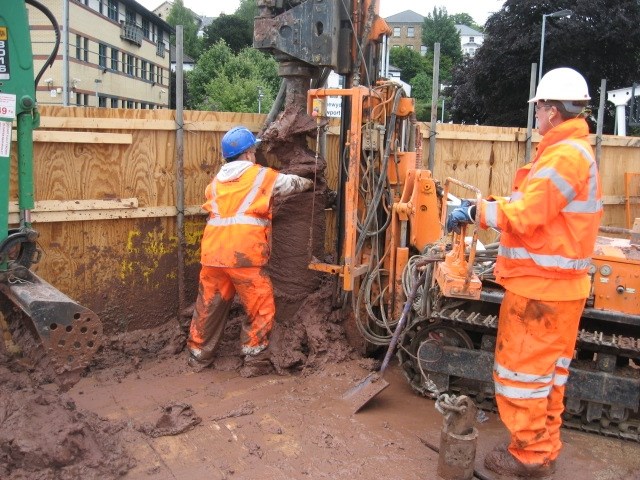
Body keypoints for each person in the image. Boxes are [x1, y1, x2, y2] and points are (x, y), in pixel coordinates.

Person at [447, 67, 602, 477]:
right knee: (546, 378)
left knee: (522, 375)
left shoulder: (565, 155)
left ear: (552, 111)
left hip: (542, 291)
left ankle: (528, 458)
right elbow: (534, 206)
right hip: (554, 289)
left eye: (539, 108)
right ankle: (542, 449)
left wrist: (476, 210)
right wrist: (486, 203)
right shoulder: (564, 151)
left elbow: (529, 214)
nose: (536, 116)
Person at [187, 125, 313, 376]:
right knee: (259, 306)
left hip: (213, 254)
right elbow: (289, 184)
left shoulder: (216, 183)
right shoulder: (260, 176)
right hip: (244, 254)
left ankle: (198, 357)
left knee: (208, 306)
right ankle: (254, 361)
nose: (255, 154)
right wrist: (311, 183)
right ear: (247, 153)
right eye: (254, 150)